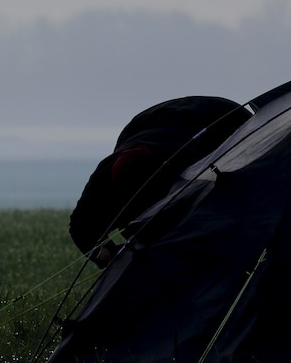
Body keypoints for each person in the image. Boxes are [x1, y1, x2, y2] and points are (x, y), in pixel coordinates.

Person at [69, 95, 253, 267]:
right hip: (147, 125)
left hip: (227, 122)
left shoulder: (188, 173)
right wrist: (110, 256)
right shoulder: (104, 181)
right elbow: (80, 229)